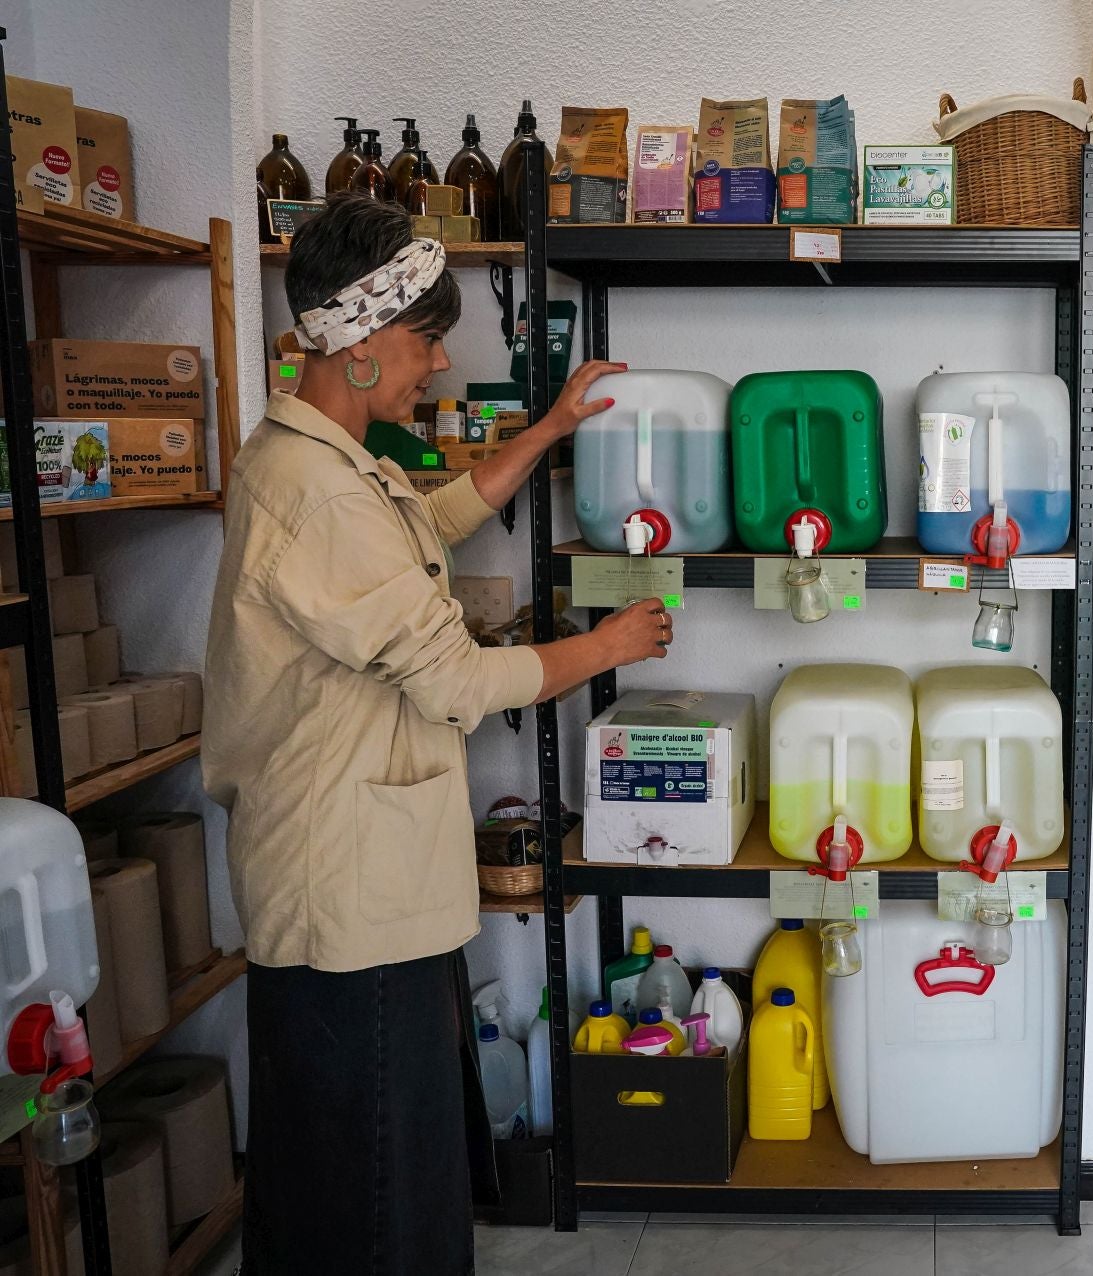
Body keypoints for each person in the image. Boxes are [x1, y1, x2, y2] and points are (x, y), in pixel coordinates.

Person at [204, 193, 665, 1274]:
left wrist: (546, 430)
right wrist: (609, 647)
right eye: (425, 337)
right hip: (347, 901)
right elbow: (457, 679)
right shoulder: (315, 496)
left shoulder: (325, 460)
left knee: (358, 1169)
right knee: (370, 1191)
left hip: (364, 886)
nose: (440, 362)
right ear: (358, 343)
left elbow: (433, 518)